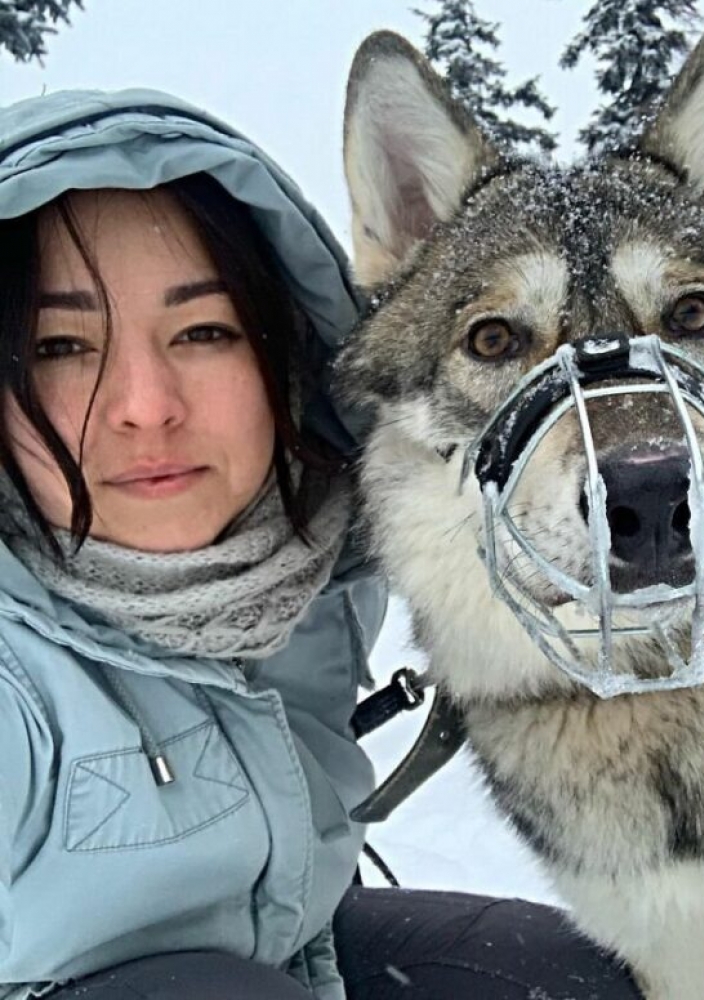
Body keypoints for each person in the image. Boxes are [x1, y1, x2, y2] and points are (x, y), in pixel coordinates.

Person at [0, 88, 642, 1000]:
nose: (144, 404)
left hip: (281, 942)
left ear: (284, 359)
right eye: (61, 346)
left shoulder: (297, 565)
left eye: (203, 330)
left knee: (566, 977)